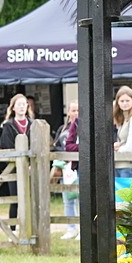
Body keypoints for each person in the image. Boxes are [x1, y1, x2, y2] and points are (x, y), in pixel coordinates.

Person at [0, 93, 33, 222]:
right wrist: (20, 164)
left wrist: (30, 164)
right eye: (19, 104)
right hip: (14, 168)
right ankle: (12, 228)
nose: (21, 107)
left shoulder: (33, 124)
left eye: (24, 104)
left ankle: (31, 225)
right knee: (15, 198)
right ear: (13, 108)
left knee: (30, 198)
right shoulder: (8, 126)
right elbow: (6, 146)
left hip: (31, 167)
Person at [53, 102, 80, 240]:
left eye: (78, 110)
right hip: (65, 167)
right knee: (67, 199)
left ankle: (81, 228)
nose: (75, 113)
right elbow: (56, 146)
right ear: (68, 112)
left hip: (78, 165)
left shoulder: (80, 125)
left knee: (81, 199)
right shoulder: (62, 128)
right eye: (73, 110)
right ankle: (71, 228)